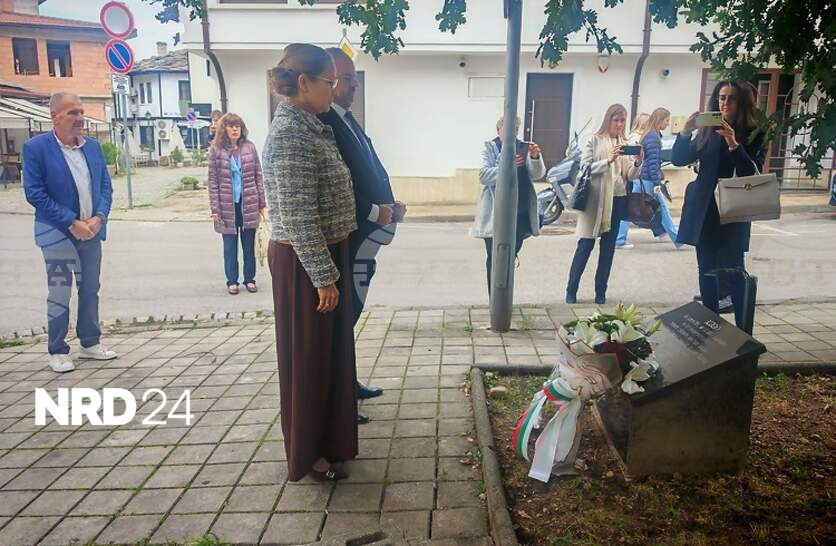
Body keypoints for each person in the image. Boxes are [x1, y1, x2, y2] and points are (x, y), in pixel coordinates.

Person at [262, 43, 358, 482]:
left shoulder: (312, 126)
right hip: (305, 263)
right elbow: (298, 215)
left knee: (329, 358)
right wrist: (323, 277)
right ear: (304, 83)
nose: (334, 90)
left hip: (324, 254)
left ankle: (331, 441)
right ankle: (309, 455)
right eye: (328, 82)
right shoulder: (290, 134)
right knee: (308, 362)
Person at [317, 48, 397, 424]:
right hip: (347, 238)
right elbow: (340, 185)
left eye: (352, 78)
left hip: (366, 236)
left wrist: (392, 203)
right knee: (340, 322)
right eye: (346, 78)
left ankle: (348, 384)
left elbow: (370, 169)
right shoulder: (326, 122)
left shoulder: (346, 119)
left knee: (351, 316)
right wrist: (375, 210)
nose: (353, 85)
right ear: (329, 81)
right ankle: (337, 398)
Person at [23, 92, 117, 373]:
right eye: (72, 113)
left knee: (90, 289)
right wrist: (71, 222)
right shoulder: (36, 148)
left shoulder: (93, 148)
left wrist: (99, 217)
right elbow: (35, 194)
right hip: (57, 233)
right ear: (54, 117)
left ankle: (89, 342)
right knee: (60, 291)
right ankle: (58, 350)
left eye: (81, 112)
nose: (80, 118)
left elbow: (105, 187)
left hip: (92, 231)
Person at [673, 81, 765, 328]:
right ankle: (711, 328)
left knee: (734, 271)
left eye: (732, 98)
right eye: (722, 97)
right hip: (704, 211)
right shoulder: (707, 130)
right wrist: (685, 132)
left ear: (741, 102)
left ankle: (743, 330)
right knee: (706, 270)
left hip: (733, 211)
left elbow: (751, 173)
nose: (725, 103)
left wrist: (734, 143)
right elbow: (679, 159)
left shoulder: (753, 132)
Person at [566, 104, 643, 305]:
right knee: (585, 245)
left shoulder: (625, 143)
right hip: (596, 201)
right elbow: (584, 168)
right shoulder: (595, 139)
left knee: (608, 249)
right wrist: (608, 160)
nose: (619, 124)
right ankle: (571, 290)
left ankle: (600, 292)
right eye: (616, 120)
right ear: (608, 120)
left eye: (622, 121)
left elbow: (629, 176)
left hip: (618, 199)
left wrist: (637, 162)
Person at [470, 116, 545, 295]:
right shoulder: (491, 147)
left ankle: (504, 297)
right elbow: (483, 176)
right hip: (495, 215)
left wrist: (535, 157)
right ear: (499, 130)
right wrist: (507, 166)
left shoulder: (523, 147)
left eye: (516, 129)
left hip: (520, 211)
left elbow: (537, 174)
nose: (513, 132)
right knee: (495, 258)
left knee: (509, 256)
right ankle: (494, 300)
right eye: (508, 128)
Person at [208, 113, 266, 294]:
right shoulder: (216, 150)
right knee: (229, 248)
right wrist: (215, 209)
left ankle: (250, 279)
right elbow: (213, 182)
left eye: (237, 126)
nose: (235, 129)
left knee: (249, 247)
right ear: (224, 129)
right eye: (231, 126)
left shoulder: (249, 147)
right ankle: (232, 281)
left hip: (248, 203)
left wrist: (262, 203)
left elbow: (258, 175)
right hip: (227, 206)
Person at [615, 113, 650, 249]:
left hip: (633, 173)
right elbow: (632, 159)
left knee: (629, 205)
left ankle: (619, 237)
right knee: (628, 206)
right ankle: (619, 238)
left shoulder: (631, 136)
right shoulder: (637, 138)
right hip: (633, 173)